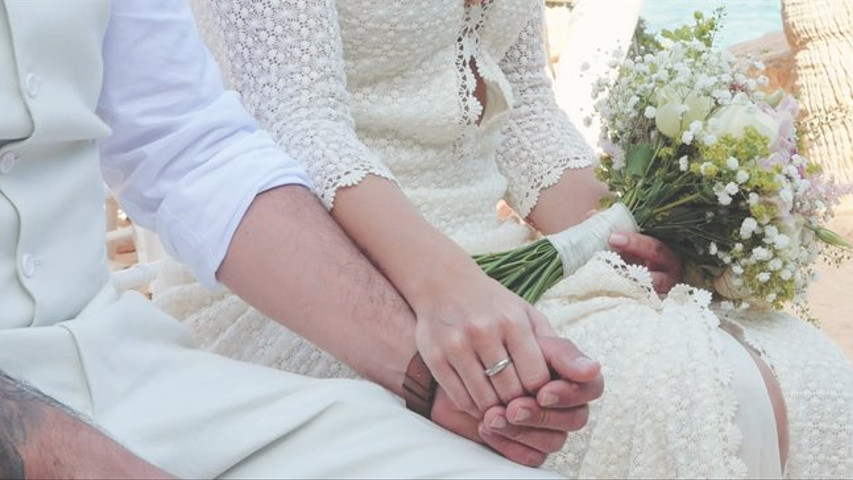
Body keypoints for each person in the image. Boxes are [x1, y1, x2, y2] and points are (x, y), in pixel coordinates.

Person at [158, 0, 853, 478]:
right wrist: (449, 289)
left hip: (497, 253)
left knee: (804, 367)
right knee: (682, 392)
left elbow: (524, 110)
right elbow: (294, 120)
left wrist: (622, 229)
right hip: (322, 267)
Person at [0, 0, 606, 477]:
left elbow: (188, 151)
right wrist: (48, 450)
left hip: (129, 368)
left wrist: (427, 376)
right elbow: (295, 117)